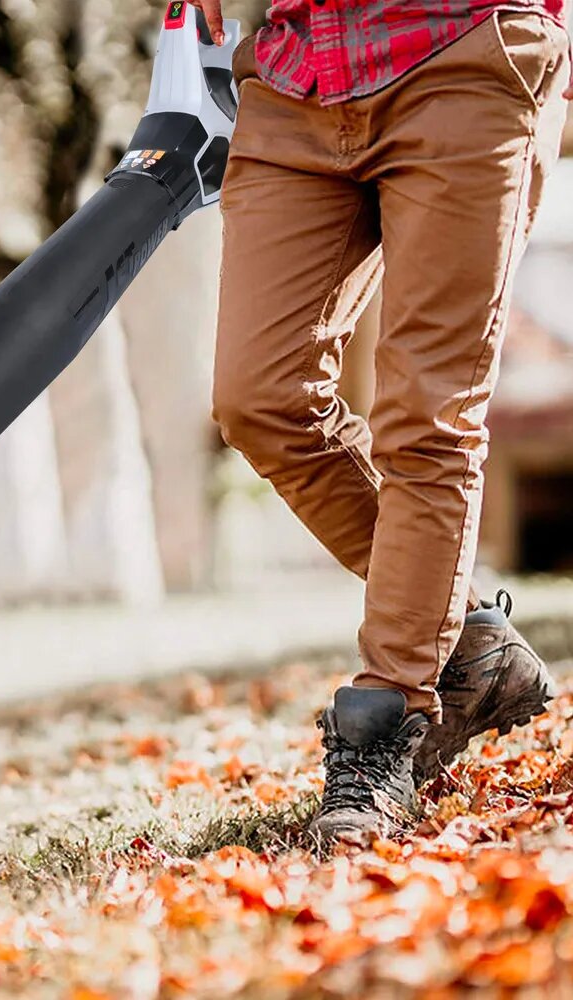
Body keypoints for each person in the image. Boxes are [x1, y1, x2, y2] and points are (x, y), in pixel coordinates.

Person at [187, 0, 572, 842]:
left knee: (429, 416)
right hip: (296, 71)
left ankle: (380, 733)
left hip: (463, 46)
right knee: (262, 398)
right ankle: (470, 638)